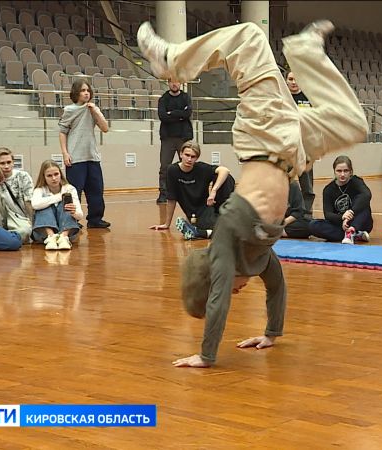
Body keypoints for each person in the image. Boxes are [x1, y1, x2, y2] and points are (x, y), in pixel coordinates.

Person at [137, 18, 367, 367]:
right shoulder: (257, 258)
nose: (237, 290)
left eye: (230, 287)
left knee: (250, 37)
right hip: (293, 150)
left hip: (262, 133)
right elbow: (276, 288)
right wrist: (271, 333)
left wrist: (207, 355)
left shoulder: (228, 235)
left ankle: (172, 61)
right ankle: (305, 52)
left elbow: (217, 300)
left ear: (216, 274)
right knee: (355, 124)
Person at [148, 140, 234, 240]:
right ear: (181, 154)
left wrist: (214, 191)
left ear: (196, 158)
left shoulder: (201, 168)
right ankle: (204, 231)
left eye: (193, 157)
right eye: (187, 155)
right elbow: (171, 199)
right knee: (227, 228)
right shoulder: (172, 170)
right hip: (197, 213)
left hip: (212, 206)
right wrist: (167, 224)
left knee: (227, 178)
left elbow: (225, 170)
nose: (189, 159)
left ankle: (200, 232)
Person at [59, 79, 110, 229]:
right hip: (75, 157)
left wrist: (94, 110)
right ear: (76, 93)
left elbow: (105, 128)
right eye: (82, 90)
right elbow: (62, 132)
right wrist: (65, 153)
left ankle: (95, 219)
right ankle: (71, 220)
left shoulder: (93, 109)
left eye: (88, 90)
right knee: (74, 191)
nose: (86, 93)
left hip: (92, 156)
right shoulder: (69, 110)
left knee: (96, 189)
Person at [308, 155, 372, 244]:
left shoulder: (356, 181)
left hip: (359, 222)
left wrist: (351, 212)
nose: (342, 174)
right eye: (339, 171)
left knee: (364, 203)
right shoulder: (328, 190)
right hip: (341, 224)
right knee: (313, 225)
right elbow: (328, 214)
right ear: (334, 171)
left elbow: (367, 194)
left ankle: (351, 232)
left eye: (346, 171)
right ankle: (355, 235)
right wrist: (342, 218)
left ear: (351, 172)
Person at [0, 147, 34, 243]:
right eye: (2, 163)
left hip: (17, 217)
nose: (6, 166)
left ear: (13, 162)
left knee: (24, 232)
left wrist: (32, 221)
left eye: (9, 162)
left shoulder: (23, 176)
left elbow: (28, 201)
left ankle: (1, 238)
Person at [30, 160, 84, 250]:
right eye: (49, 176)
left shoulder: (69, 189)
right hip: (43, 234)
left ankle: (63, 237)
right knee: (42, 205)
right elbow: (35, 205)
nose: (54, 178)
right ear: (44, 177)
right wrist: (59, 197)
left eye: (56, 174)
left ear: (60, 174)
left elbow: (80, 215)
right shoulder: (39, 190)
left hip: (68, 231)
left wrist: (74, 212)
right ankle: (51, 237)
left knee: (65, 203)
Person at [157, 80, 193, 204]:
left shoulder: (185, 97)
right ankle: (163, 193)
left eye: (177, 82)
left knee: (187, 164)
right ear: (168, 83)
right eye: (172, 82)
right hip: (168, 137)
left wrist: (171, 113)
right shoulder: (163, 99)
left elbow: (188, 113)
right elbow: (162, 116)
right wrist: (180, 115)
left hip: (183, 137)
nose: (175, 84)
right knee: (164, 167)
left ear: (181, 83)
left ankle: (189, 192)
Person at [287, 70, 315, 217]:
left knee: (307, 184)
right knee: (285, 180)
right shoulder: (282, 97)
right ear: (286, 81)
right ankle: (285, 211)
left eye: (296, 79)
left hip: (305, 146)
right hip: (286, 146)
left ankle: (306, 213)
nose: (293, 82)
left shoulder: (309, 98)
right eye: (290, 79)